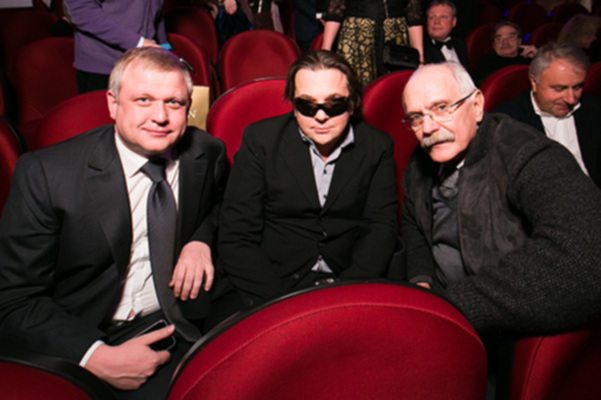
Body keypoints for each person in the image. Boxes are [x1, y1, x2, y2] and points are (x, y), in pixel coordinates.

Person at [0, 48, 228, 399]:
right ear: (112, 103)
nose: (160, 117)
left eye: (174, 103)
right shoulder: (47, 174)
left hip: (182, 318)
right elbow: (12, 298)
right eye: (143, 100)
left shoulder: (206, 151)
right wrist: (94, 356)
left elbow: (218, 206)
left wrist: (199, 241)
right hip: (88, 333)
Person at [401, 61, 601, 338]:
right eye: (416, 117)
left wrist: (453, 307)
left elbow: (587, 257)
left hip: (495, 327)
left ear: (476, 105)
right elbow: (413, 222)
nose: (428, 127)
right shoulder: (420, 161)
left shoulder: (525, 154)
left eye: (442, 107)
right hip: (439, 308)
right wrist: (420, 281)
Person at [213, 50, 399, 318]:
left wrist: (346, 296)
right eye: (307, 105)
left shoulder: (377, 146)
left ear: (351, 104)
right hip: (271, 282)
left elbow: (380, 228)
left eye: (334, 104)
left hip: (348, 278)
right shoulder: (261, 140)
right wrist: (279, 306)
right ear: (293, 104)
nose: (320, 116)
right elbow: (236, 234)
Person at [495, 42, 601, 187]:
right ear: (534, 82)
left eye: (577, 87)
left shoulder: (595, 109)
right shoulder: (508, 121)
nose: (571, 99)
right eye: (559, 89)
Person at [64, 0, 169, 93]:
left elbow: (154, 11)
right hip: (103, 69)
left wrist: (164, 48)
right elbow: (81, 11)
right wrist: (137, 42)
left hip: (144, 64)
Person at [320, 0, 424, 87]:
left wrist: (420, 58)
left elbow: (414, 13)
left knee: (394, 89)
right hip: (358, 38)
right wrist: (325, 51)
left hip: (394, 39)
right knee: (357, 89)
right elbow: (335, 11)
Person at [423, 0, 472, 75]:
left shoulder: (460, 46)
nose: (436, 22)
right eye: (432, 17)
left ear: (453, 22)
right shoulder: (422, 49)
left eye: (443, 17)